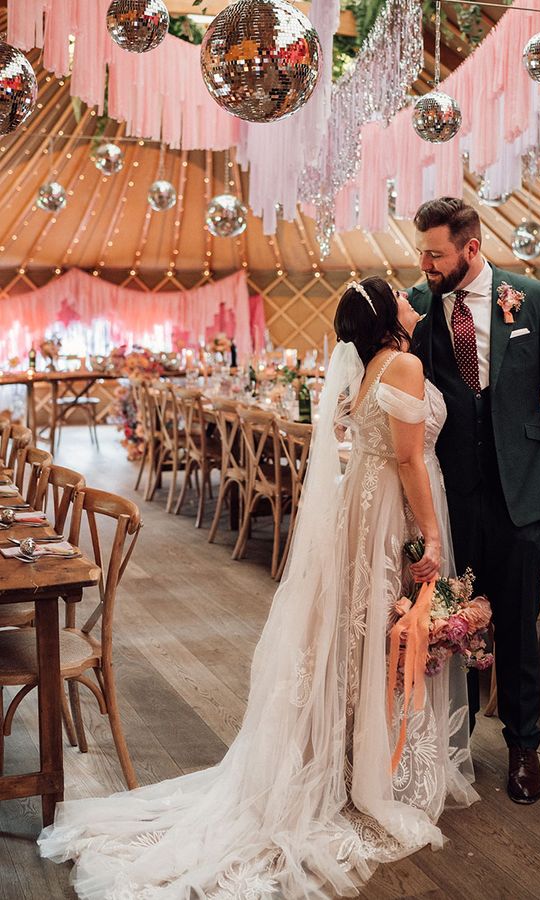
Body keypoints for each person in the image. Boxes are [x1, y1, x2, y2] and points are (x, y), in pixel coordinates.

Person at [38, 278, 477, 899]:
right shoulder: (402, 362)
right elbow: (407, 459)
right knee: (377, 625)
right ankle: (372, 769)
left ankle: (358, 756)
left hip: (365, 504)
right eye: (401, 298)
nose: (413, 300)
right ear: (388, 319)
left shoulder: (372, 365)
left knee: (361, 628)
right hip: (393, 508)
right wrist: (431, 537)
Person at [407, 197, 540, 805]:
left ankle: (524, 746)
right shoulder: (420, 303)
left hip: (523, 493)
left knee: (517, 626)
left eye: (434, 253)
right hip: (452, 497)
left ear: (470, 249)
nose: (423, 263)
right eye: (421, 251)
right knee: (450, 623)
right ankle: (455, 743)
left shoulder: (531, 297)